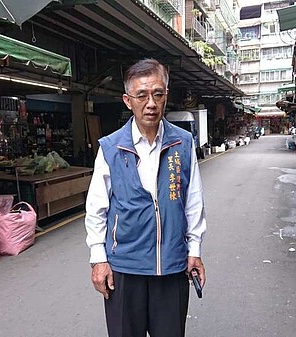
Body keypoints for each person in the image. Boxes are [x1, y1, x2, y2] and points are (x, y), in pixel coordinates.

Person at [85, 58, 207, 337]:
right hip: (125, 270)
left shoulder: (183, 143)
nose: (150, 103)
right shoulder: (111, 148)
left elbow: (193, 201)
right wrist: (98, 259)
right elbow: (96, 208)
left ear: (166, 96)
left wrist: (195, 250)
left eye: (158, 94)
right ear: (128, 100)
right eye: (142, 95)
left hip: (172, 267)